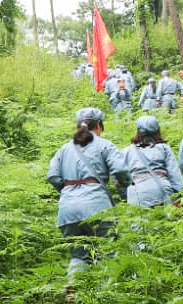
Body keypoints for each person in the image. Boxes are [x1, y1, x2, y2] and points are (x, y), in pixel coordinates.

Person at [47, 107, 132, 276]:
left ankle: (72, 297)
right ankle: (105, 296)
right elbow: (121, 170)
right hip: (97, 207)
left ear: (78, 125)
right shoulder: (105, 145)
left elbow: (52, 176)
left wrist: (67, 191)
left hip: (67, 211)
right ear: (99, 125)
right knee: (107, 253)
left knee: (78, 256)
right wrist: (124, 186)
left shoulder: (64, 149)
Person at [122, 115, 183, 207]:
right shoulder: (163, 148)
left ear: (138, 131)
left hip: (136, 192)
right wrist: (178, 196)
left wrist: (125, 195)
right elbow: (175, 174)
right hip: (161, 190)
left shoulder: (127, 151)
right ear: (157, 130)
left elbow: (120, 176)